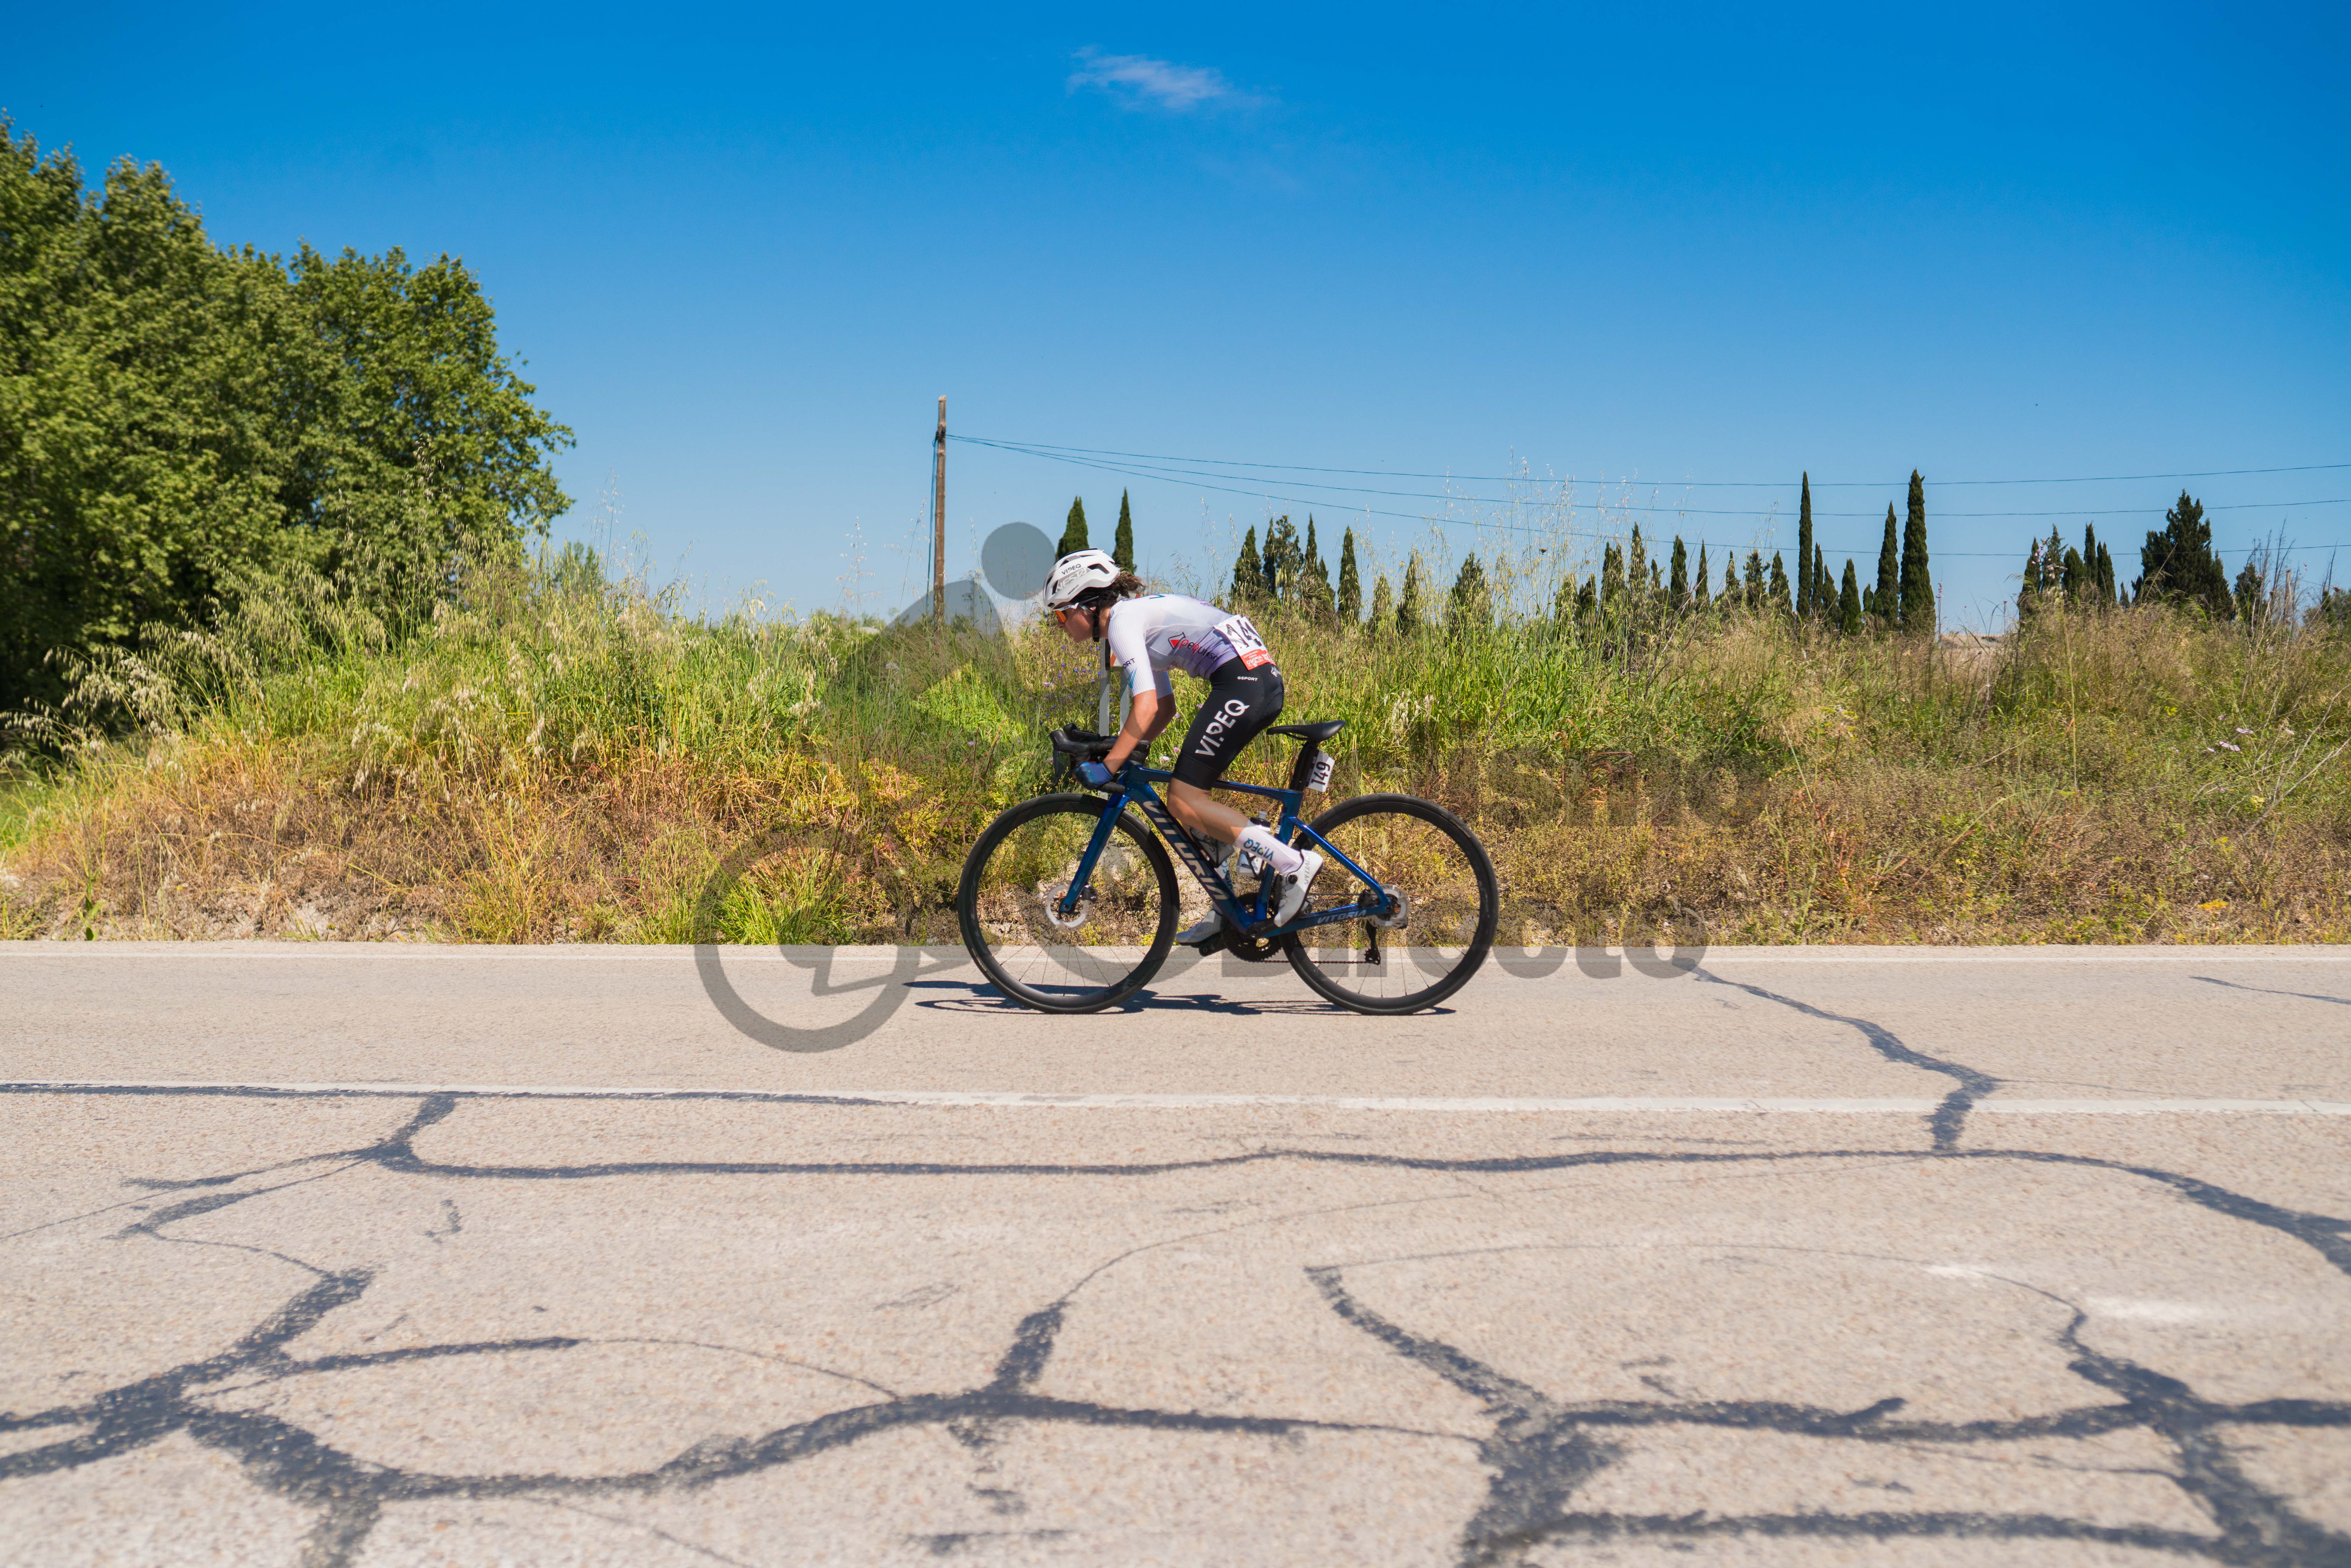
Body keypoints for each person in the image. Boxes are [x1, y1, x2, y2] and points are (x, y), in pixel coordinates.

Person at [1042, 548, 1321, 941]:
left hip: (1244, 684)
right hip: (1250, 681)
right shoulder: (1132, 619)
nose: (1059, 626)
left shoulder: (1122, 623)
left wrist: (1109, 767)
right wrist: (1124, 750)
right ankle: (1225, 909)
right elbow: (1164, 710)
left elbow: (1146, 707)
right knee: (1189, 802)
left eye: (1059, 615)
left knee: (1183, 800)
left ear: (1085, 606)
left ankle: (1293, 864)